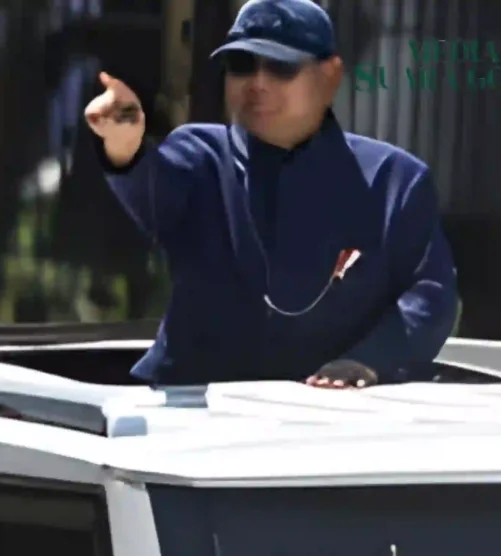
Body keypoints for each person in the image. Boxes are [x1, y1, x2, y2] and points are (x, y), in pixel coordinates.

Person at [84, 0, 458, 388]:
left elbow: (430, 296)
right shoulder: (199, 156)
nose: (257, 83)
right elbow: (153, 191)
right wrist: (124, 144)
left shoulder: (394, 180)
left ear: (329, 76)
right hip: (187, 410)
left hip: (337, 421)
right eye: (242, 64)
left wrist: (367, 362)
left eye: (282, 67)